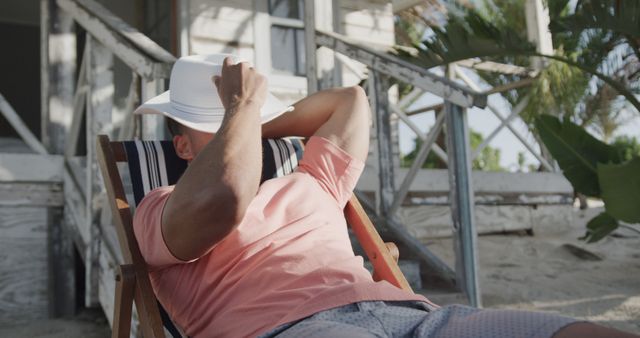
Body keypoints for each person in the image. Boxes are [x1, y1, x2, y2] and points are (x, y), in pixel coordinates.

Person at [132, 54, 637, 338]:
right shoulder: (160, 205)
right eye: (211, 123)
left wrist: (254, 119)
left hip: (411, 317)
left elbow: (350, 101)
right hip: (293, 332)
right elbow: (224, 197)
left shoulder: (314, 181)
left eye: (238, 117)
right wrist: (239, 108)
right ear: (180, 145)